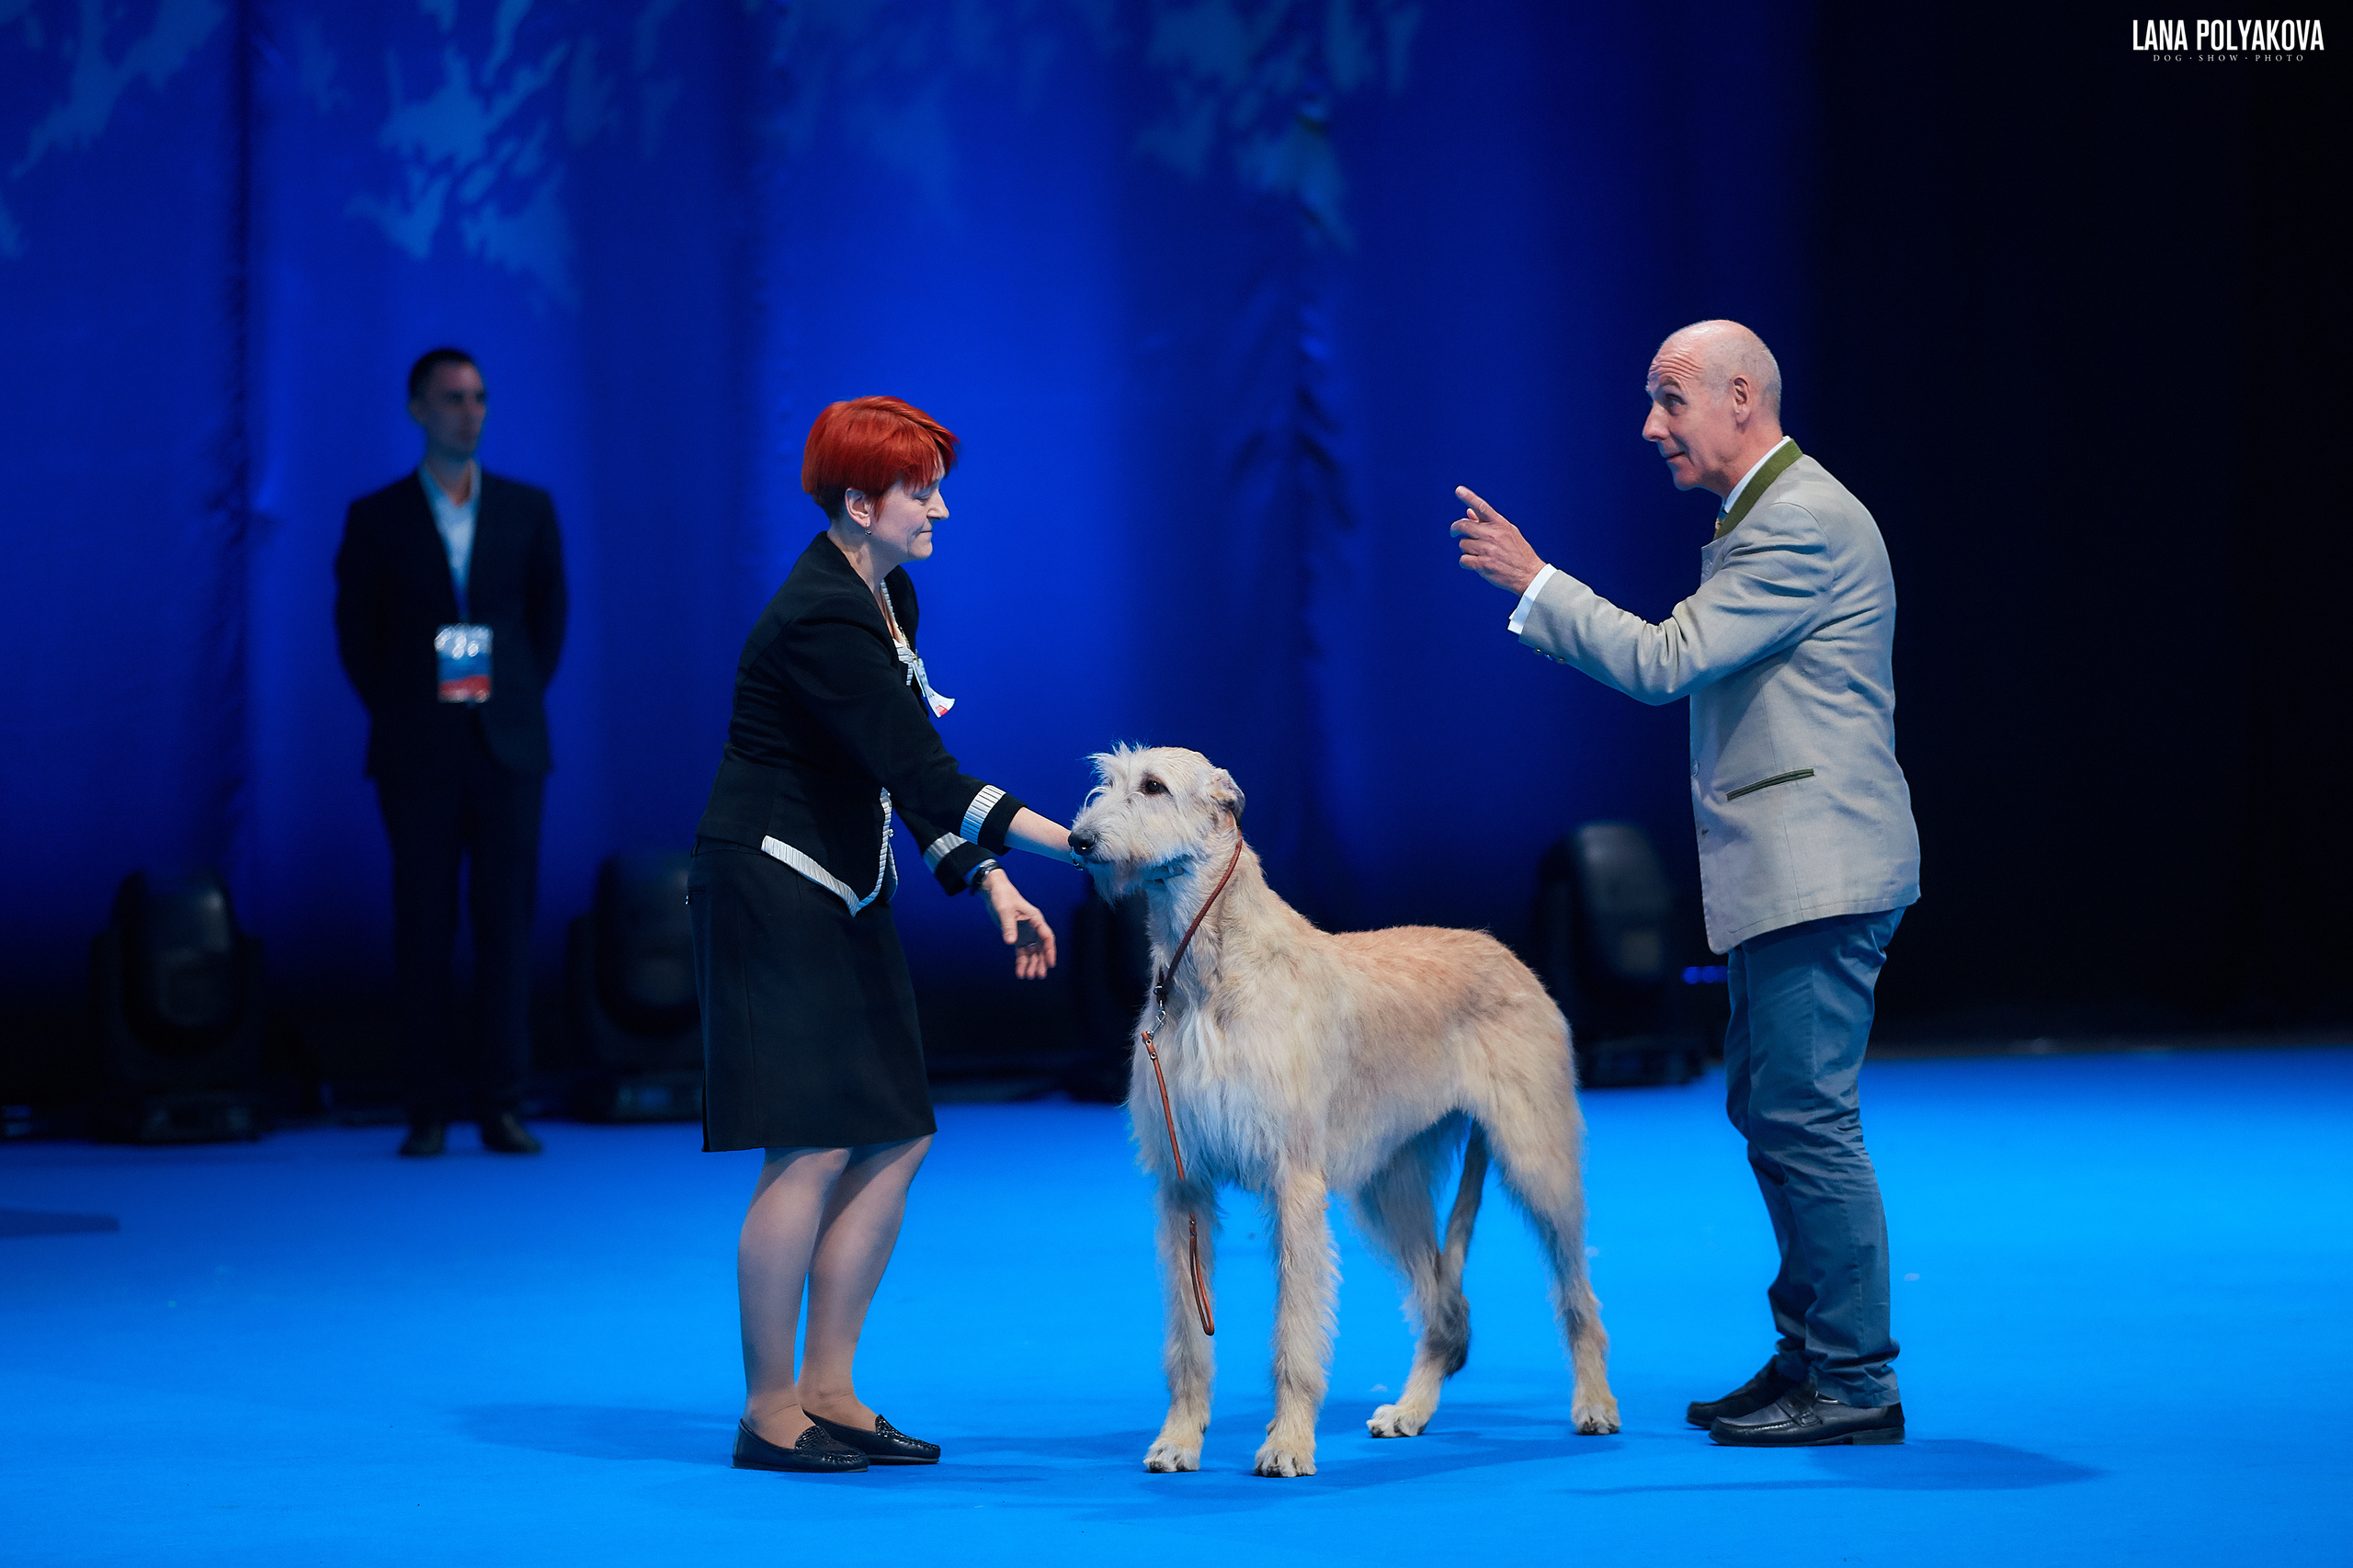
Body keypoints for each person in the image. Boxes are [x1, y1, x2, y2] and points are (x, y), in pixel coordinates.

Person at [1450, 320, 1920, 1448]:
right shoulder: (1763, 515)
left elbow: (1665, 661)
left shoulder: (1796, 521)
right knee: (1774, 1112)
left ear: (1741, 397)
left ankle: (1853, 1378)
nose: (1649, 425)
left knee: (1804, 1120)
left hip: (1818, 871)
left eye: (1670, 399)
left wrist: (1536, 583)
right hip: (1792, 869)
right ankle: (1810, 1355)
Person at [688, 396, 1074, 1475]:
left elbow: (887, 766)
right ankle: (768, 1410)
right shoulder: (821, 614)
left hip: (845, 889)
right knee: (808, 1140)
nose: (940, 510)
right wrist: (1083, 846)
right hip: (769, 890)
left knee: (897, 1128)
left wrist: (987, 876)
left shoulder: (888, 593)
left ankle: (831, 1389)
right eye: (922, 491)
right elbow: (929, 772)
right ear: (859, 503)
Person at [335, 348, 567, 1160]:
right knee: (423, 928)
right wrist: (406, 710)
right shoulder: (376, 517)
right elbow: (357, 634)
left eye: (479, 398)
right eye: (452, 399)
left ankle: (503, 1105)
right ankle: (427, 1108)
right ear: (417, 409)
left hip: (509, 749)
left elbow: (548, 622)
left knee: (507, 930)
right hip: (417, 750)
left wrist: (510, 699)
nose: (469, 413)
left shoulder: (529, 509)